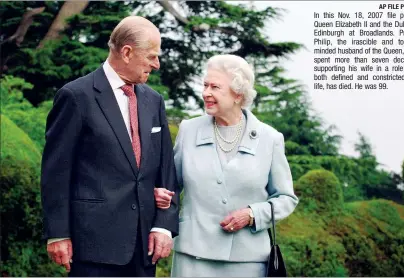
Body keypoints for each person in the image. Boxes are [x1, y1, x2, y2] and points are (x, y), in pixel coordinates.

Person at [41, 16, 179, 277]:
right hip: (92, 246)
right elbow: (56, 172)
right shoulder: (76, 96)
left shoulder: (154, 100)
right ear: (127, 52)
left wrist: (163, 226)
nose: (157, 64)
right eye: (151, 56)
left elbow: (166, 170)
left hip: (143, 249)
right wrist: (57, 234)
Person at [154, 54, 299, 277]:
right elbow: (171, 185)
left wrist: (253, 214)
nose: (206, 93)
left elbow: (286, 198)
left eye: (215, 87)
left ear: (238, 94)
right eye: (205, 85)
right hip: (193, 257)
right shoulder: (189, 130)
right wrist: (160, 195)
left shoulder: (269, 139)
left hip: (248, 261)